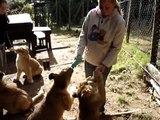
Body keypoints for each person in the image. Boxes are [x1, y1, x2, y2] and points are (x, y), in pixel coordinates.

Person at [75, 0, 126, 114]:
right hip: (89, 59)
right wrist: (79, 53)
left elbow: (116, 48)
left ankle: (100, 110)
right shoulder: (91, 14)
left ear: (114, 4)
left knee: (99, 87)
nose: (102, 10)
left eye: (106, 7)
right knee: (88, 87)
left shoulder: (119, 22)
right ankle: (89, 108)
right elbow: (83, 35)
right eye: (100, 6)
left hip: (104, 64)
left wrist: (104, 64)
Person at [0, 0, 13, 72]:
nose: (4, 10)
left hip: (2, 44)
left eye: (6, 8)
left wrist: (9, 45)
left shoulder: (4, 17)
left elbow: (5, 33)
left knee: (3, 66)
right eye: (2, 8)